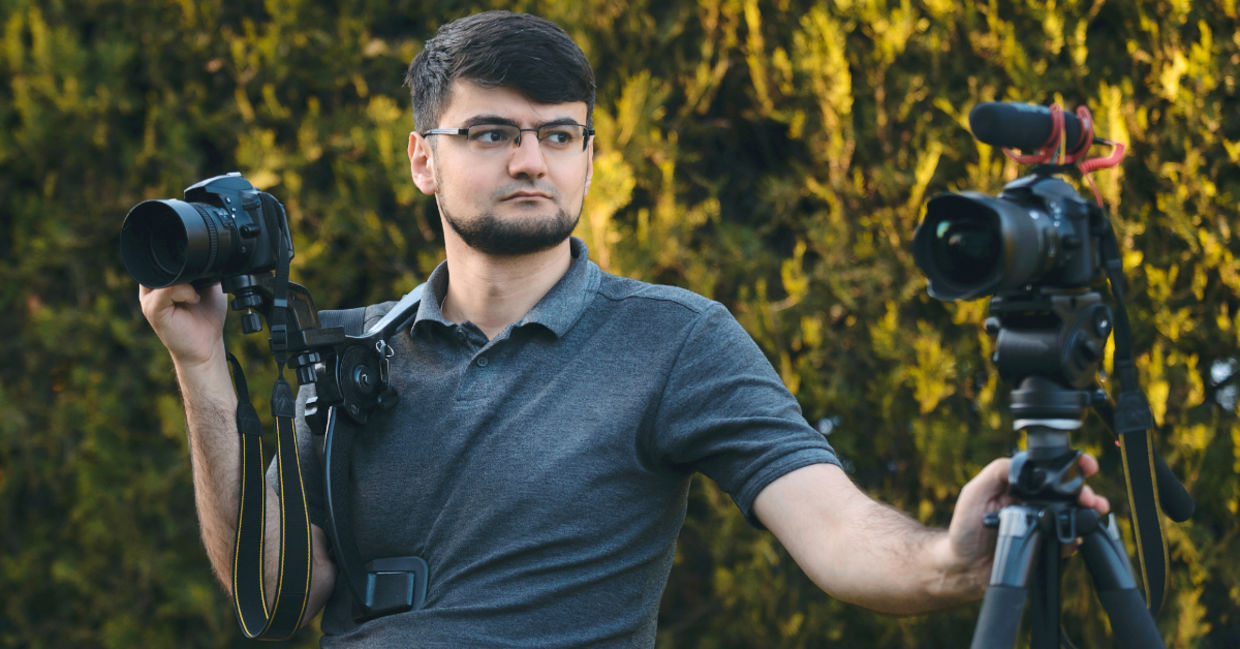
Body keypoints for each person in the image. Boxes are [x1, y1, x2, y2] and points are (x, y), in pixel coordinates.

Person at [138, 10, 1110, 648]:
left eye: (558, 135)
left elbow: (835, 528)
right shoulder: (348, 352)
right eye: (491, 133)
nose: (531, 161)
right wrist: (202, 367)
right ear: (422, 160)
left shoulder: (674, 340)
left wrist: (945, 559)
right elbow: (278, 596)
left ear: (589, 157)